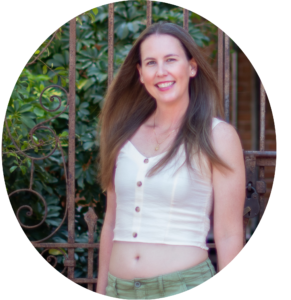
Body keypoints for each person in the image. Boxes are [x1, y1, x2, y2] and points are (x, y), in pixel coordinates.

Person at [96, 22, 245, 299]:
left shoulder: (218, 136)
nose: (161, 72)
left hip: (184, 287)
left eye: (171, 60)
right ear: (140, 74)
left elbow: (228, 232)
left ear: (191, 67)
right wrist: (101, 290)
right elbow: (111, 221)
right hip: (119, 289)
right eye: (151, 62)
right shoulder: (123, 135)